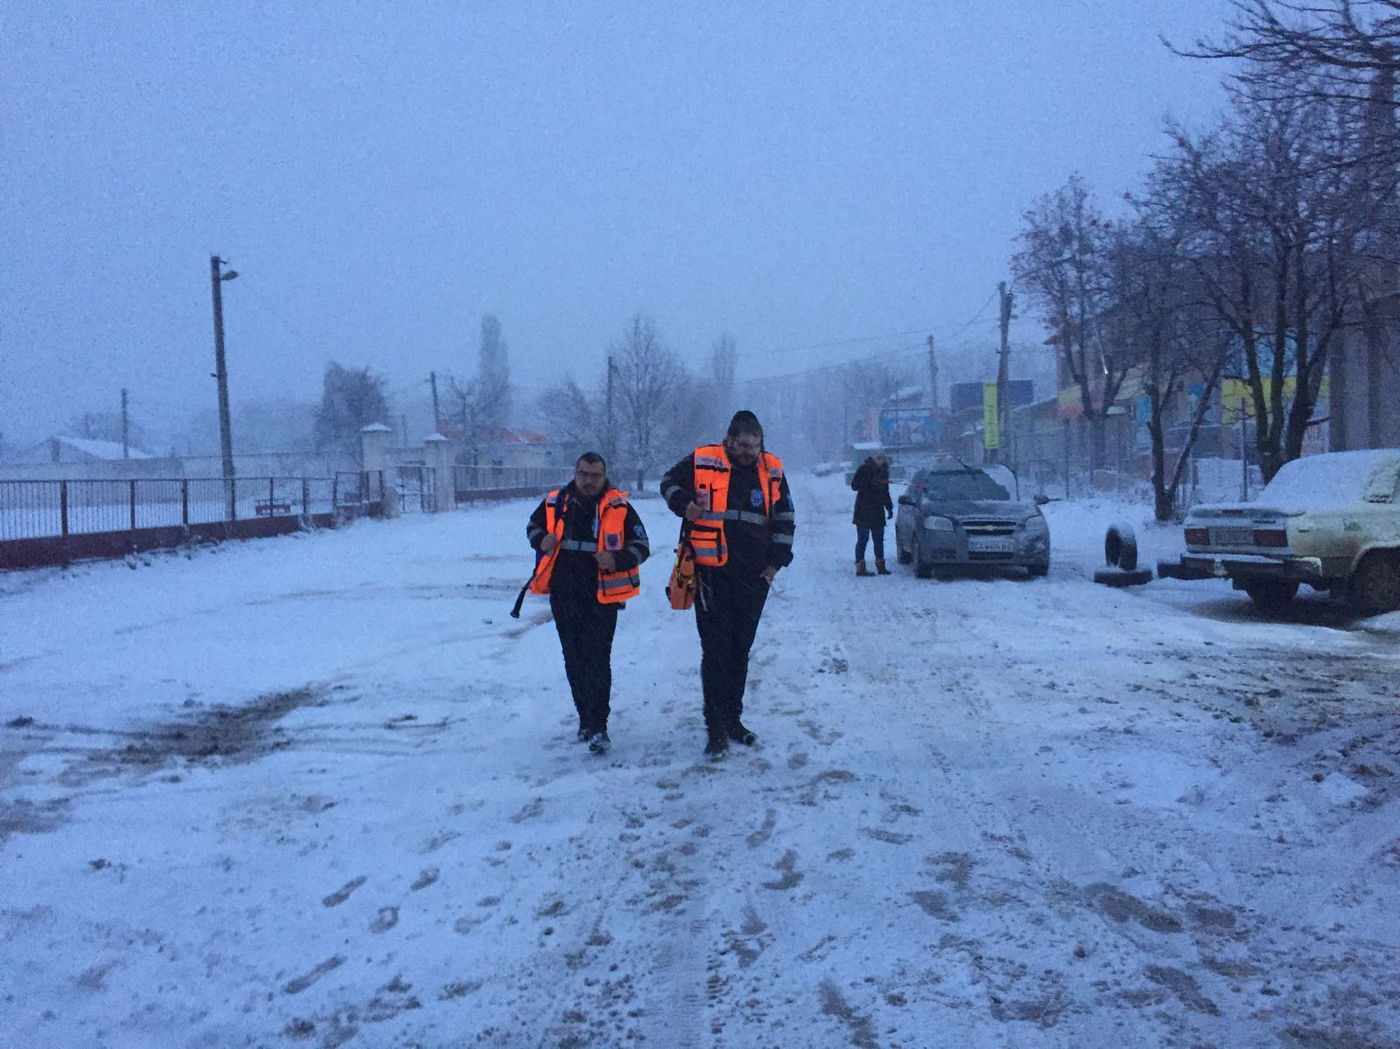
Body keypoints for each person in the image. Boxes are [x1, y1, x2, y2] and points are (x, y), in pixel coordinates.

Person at [660, 410, 795, 758]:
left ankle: (734, 720)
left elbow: (785, 517)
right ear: (729, 441)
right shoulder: (703, 460)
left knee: (739, 651)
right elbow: (668, 483)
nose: (749, 452)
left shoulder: (772, 470)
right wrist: (684, 505)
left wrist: (775, 564)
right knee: (716, 653)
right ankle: (715, 729)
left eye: (754, 446)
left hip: (754, 577)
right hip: (710, 576)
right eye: (742, 445)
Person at [526, 452, 649, 755]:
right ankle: (584, 719)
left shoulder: (620, 507)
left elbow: (642, 546)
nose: (589, 481)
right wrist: (540, 539)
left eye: (595, 475)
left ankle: (599, 726)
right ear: (575, 473)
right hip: (565, 593)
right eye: (583, 474)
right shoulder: (555, 503)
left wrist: (617, 559)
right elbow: (532, 526)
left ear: (604, 476)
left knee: (598, 660)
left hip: (602, 597)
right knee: (574, 659)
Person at [850, 452, 893, 576]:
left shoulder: (884, 471)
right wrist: (869, 483)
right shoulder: (863, 469)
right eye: (878, 458)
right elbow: (854, 485)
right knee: (863, 539)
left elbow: (885, 492)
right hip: (863, 509)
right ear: (873, 458)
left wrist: (889, 507)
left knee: (878, 540)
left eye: (883, 458)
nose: (881, 460)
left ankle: (881, 566)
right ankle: (860, 567)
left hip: (878, 510)